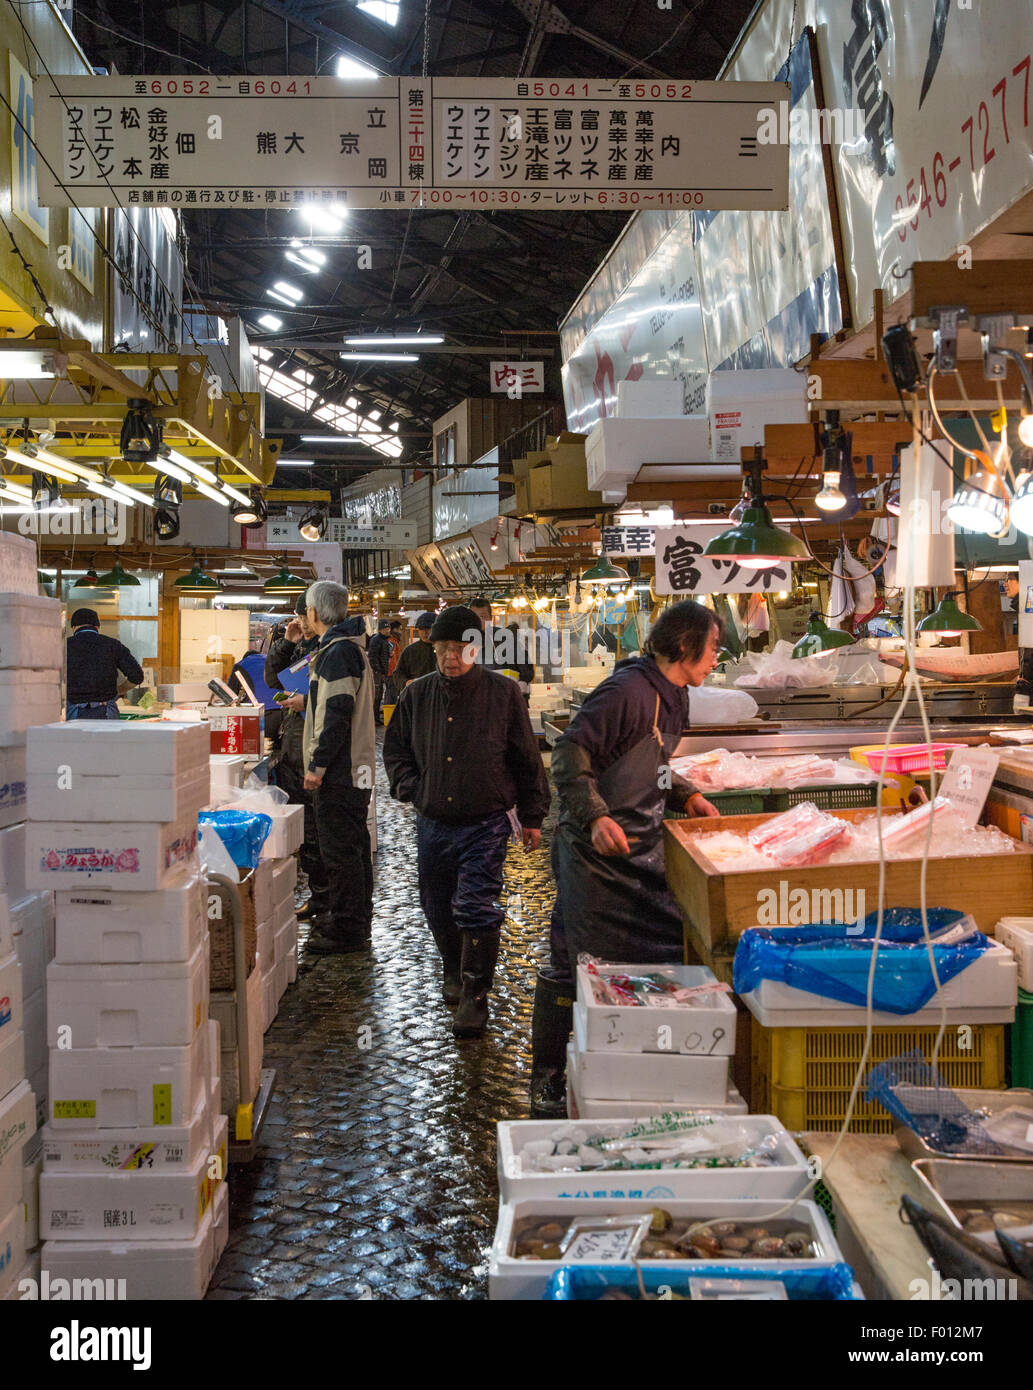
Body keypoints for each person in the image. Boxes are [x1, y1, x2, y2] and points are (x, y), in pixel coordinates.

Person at [528, 600, 723, 1116]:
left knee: (655, 954)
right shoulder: (628, 691)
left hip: (641, 850)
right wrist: (595, 815)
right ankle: (550, 1081)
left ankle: (625, 1066)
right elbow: (571, 753)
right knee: (578, 963)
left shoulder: (675, 695)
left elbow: (651, 762)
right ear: (684, 648)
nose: (715, 659)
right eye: (712, 648)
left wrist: (685, 796)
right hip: (594, 858)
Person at [383, 605, 550, 1038]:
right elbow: (396, 751)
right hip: (433, 820)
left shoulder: (503, 693)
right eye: (442, 649)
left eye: (460, 649)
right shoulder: (416, 694)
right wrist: (413, 788)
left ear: (477, 649)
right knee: (436, 905)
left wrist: (532, 816)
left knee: (474, 906)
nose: (450, 658)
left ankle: (476, 995)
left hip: (487, 821)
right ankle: (454, 968)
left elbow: (526, 759)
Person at [301, 581, 377, 954]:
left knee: (341, 851)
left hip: (341, 770)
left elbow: (336, 713)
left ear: (314, 613)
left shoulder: (338, 652)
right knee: (353, 846)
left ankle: (348, 928)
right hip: (352, 766)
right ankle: (356, 918)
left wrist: (317, 765)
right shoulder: (345, 649)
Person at [265, 593, 321, 922]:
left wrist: (306, 701)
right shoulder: (301, 643)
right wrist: (285, 644)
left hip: (307, 744)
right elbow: (276, 681)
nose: (299, 622)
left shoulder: (329, 648)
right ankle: (320, 898)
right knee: (307, 826)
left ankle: (325, 901)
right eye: (296, 616)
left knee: (314, 827)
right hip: (294, 740)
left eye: (302, 616)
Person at [65, 608, 144, 720]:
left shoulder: (64, 646)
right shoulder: (113, 645)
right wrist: (119, 690)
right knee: (107, 738)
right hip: (107, 711)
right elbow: (137, 676)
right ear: (97, 627)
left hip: (74, 711)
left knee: (76, 738)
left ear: (73, 627)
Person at [393, 611, 437, 686]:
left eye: (428, 628)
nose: (424, 632)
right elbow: (398, 674)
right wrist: (406, 682)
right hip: (418, 694)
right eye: (421, 629)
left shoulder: (446, 649)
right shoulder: (410, 651)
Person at [367, 619, 393, 725]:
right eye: (385, 629)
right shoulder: (376, 640)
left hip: (380, 672)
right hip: (376, 673)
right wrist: (378, 670)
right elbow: (372, 657)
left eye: (388, 628)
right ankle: (374, 718)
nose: (387, 631)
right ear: (380, 630)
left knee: (379, 694)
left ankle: (376, 718)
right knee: (376, 695)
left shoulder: (384, 640)